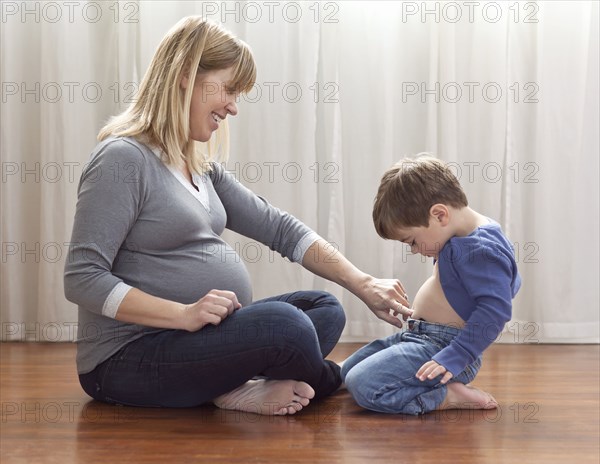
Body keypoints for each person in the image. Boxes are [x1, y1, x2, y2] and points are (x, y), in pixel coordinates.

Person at [64, 16, 411, 416]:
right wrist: (184, 315)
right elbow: (82, 278)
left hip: (193, 343)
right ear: (185, 75)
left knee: (323, 307)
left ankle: (228, 385)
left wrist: (364, 284)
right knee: (286, 326)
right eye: (228, 89)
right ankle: (354, 376)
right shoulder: (122, 160)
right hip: (126, 358)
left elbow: (279, 228)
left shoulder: (198, 166)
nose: (232, 106)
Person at [341, 155, 521, 415]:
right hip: (418, 335)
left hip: (445, 349)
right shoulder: (460, 232)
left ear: (439, 214)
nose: (414, 250)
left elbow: (496, 311)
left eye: (411, 241)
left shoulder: (481, 250)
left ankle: (446, 395)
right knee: (347, 371)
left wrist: (457, 356)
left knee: (363, 386)